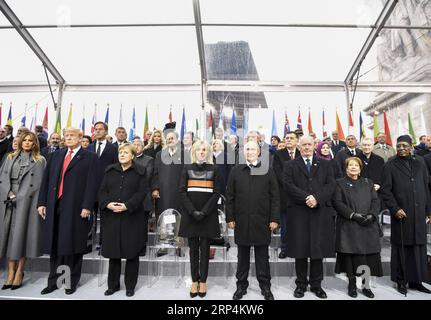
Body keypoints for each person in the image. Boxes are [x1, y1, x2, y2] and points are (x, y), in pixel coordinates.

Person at [37, 128, 98, 295]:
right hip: (55, 204)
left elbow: (92, 184)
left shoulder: (90, 157)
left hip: (76, 206)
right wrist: (42, 202)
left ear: (80, 137)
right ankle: (54, 282)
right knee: (56, 243)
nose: (68, 138)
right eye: (67, 136)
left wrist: (87, 206)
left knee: (73, 244)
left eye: (72, 135)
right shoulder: (56, 155)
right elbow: (46, 180)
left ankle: (70, 282)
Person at [226, 141, 280, 301]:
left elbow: (275, 197)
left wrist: (274, 219)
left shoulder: (268, 171)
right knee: (242, 256)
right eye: (247, 149)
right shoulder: (236, 171)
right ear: (244, 153)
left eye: (252, 149)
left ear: (259, 152)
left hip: (262, 221)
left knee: (262, 257)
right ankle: (241, 286)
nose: (249, 152)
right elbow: (230, 197)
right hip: (241, 220)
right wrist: (230, 217)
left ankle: (265, 287)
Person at [284, 135, 336, 299]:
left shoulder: (326, 164)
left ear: (314, 146)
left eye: (309, 144)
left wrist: (317, 198)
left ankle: (316, 285)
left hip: (319, 211)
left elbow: (331, 185)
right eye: (303, 145)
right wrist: (307, 197)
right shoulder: (290, 165)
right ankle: (301, 284)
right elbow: (287, 185)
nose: (306, 147)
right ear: (298, 147)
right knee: (300, 249)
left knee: (317, 250)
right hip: (299, 211)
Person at [380, 135, 431, 295]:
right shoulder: (390, 165)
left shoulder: (420, 163)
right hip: (402, 214)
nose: (401, 148)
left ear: (411, 146)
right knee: (402, 247)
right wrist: (395, 209)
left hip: (419, 213)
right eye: (398, 145)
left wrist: (429, 211)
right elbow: (385, 190)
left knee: (418, 247)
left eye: (404, 146)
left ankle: (417, 281)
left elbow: (426, 187)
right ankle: (401, 280)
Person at [99, 144, 148, 297]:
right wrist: (107, 204)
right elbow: (102, 191)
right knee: (114, 252)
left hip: (132, 217)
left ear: (133, 156)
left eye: (126, 152)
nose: (122, 154)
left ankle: (130, 286)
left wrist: (127, 206)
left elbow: (141, 193)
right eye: (120, 152)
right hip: (112, 216)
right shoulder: (110, 170)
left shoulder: (140, 171)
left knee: (131, 252)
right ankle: (112, 286)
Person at [0, 132, 46, 290]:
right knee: (7, 237)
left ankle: (19, 272)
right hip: (8, 200)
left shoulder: (40, 160)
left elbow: (40, 185)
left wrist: (22, 196)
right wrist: (9, 193)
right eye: (24, 140)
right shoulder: (10, 157)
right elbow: (2, 179)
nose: (27, 143)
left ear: (35, 143)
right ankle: (10, 272)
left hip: (27, 202)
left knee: (22, 236)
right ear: (20, 142)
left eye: (30, 141)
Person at [333, 157, 383, 298]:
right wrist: (353, 215)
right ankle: (352, 284)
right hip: (348, 226)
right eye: (351, 165)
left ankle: (366, 286)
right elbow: (337, 203)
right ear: (346, 168)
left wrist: (372, 216)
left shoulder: (368, 182)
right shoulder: (339, 183)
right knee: (350, 257)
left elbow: (375, 201)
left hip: (368, 226)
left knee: (366, 258)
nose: (353, 167)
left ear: (360, 168)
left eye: (356, 165)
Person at [178, 140, 220, 298]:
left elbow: (216, 193)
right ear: (194, 151)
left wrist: (204, 212)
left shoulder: (214, 168)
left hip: (207, 216)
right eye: (198, 149)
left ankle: (203, 281)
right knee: (193, 251)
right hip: (191, 215)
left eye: (204, 149)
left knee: (205, 251)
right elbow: (182, 191)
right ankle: (194, 280)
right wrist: (193, 211)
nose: (201, 152)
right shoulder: (187, 168)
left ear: (208, 152)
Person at [272, 131, 300, 259]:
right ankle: (285, 248)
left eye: (291, 138)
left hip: (300, 196)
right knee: (285, 225)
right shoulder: (279, 154)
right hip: (285, 195)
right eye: (286, 138)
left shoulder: (301, 153)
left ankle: (298, 248)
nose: (288, 140)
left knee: (299, 225)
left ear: (296, 140)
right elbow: (278, 174)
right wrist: (292, 187)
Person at [132, 137, 154, 255]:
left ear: (143, 147)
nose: (136, 146)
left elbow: (147, 176)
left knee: (141, 226)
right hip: (129, 199)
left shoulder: (149, 160)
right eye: (134, 144)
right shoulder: (127, 159)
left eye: (139, 144)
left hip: (143, 199)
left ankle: (141, 248)